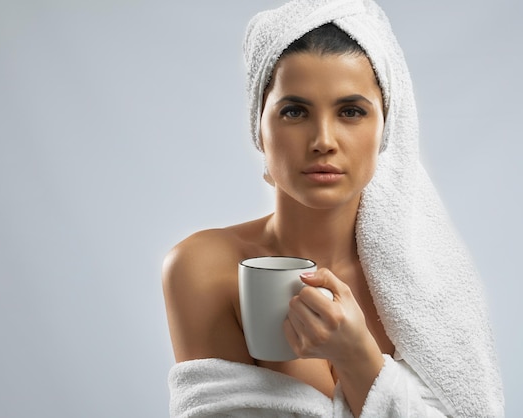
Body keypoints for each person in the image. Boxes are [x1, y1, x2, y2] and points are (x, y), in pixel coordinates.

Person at [163, 0, 504, 417]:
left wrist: (357, 355)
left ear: (385, 128)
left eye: (351, 111)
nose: (324, 139)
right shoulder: (205, 268)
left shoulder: (435, 286)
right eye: (294, 111)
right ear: (259, 126)